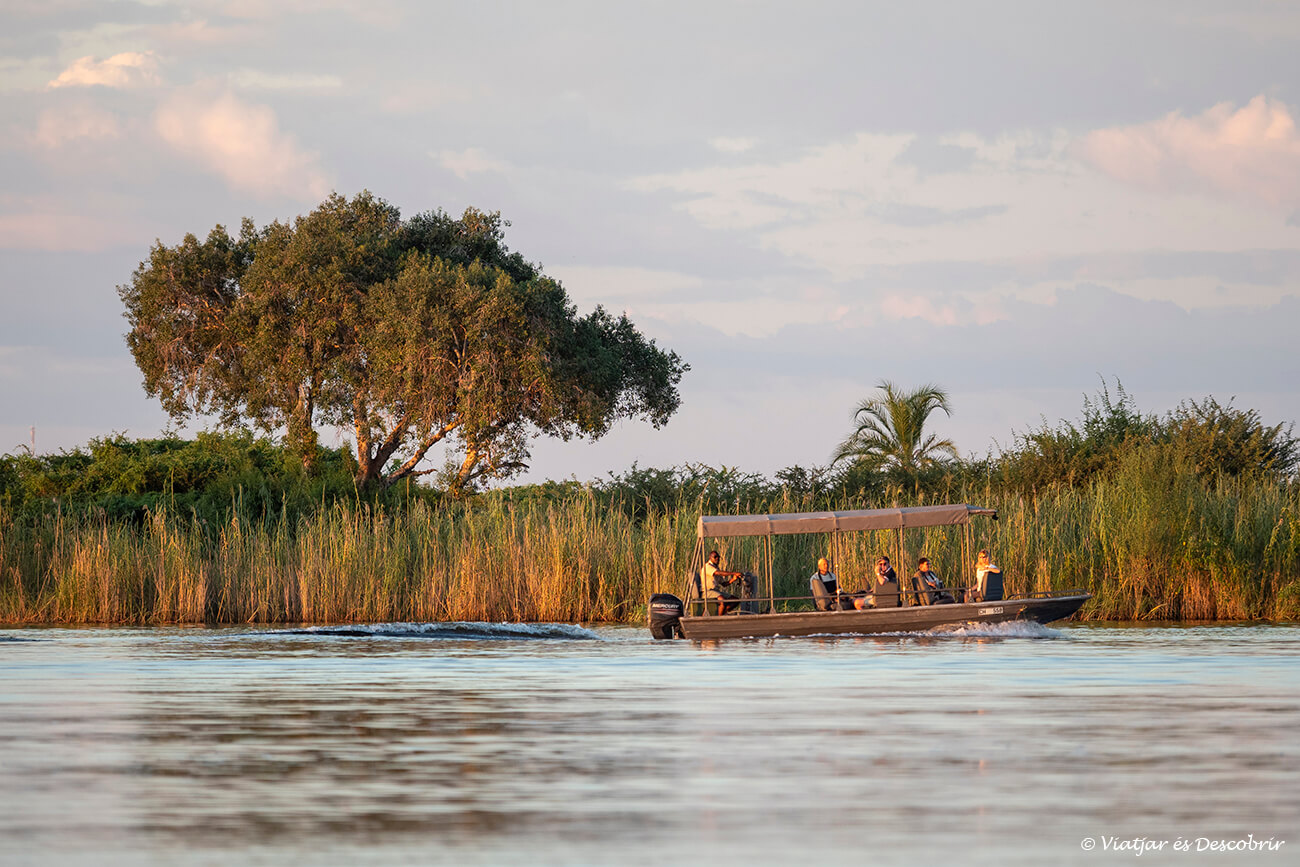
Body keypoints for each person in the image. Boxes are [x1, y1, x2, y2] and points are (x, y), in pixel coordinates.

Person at [700, 550, 756, 614]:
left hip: (715, 591)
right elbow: (718, 573)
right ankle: (718, 620)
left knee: (735, 600)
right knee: (722, 600)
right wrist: (734, 573)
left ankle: (723, 613)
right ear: (710, 558)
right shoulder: (707, 567)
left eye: (718, 557)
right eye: (715, 557)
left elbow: (724, 584)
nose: (717, 558)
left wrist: (733, 579)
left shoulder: (716, 568)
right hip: (707, 591)